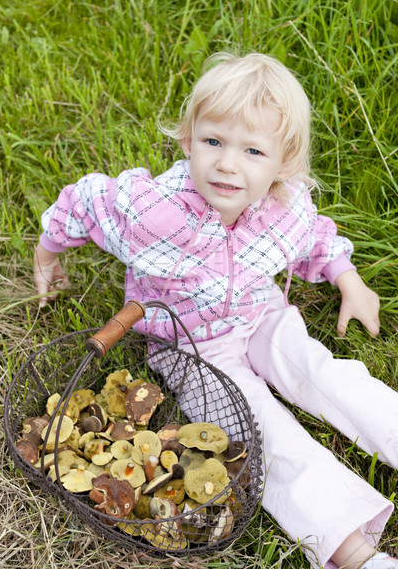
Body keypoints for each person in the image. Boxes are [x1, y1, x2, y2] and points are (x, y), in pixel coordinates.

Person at [33, 52, 397, 569]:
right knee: (258, 429)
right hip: (189, 343)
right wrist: (47, 250)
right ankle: (353, 550)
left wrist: (348, 279)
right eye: (213, 142)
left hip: (260, 312)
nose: (228, 163)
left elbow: (312, 234)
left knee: (325, 374)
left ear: (282, 163)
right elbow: (88, 202)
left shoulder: (281, 205)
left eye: (252, 150)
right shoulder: (154, 211)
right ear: (189, 140)